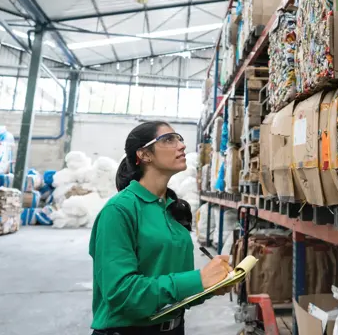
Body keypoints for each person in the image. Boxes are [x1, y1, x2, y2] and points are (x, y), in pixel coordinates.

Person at [90, 121, 232, 335]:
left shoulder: (172, 208)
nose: (181, 145)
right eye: (168, 140)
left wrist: (209, 286)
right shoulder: (119, 210)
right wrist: (198, 279)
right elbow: (121, 293)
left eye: (180, 139)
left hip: (174, 328)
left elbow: (172, 284)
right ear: (144, 155)